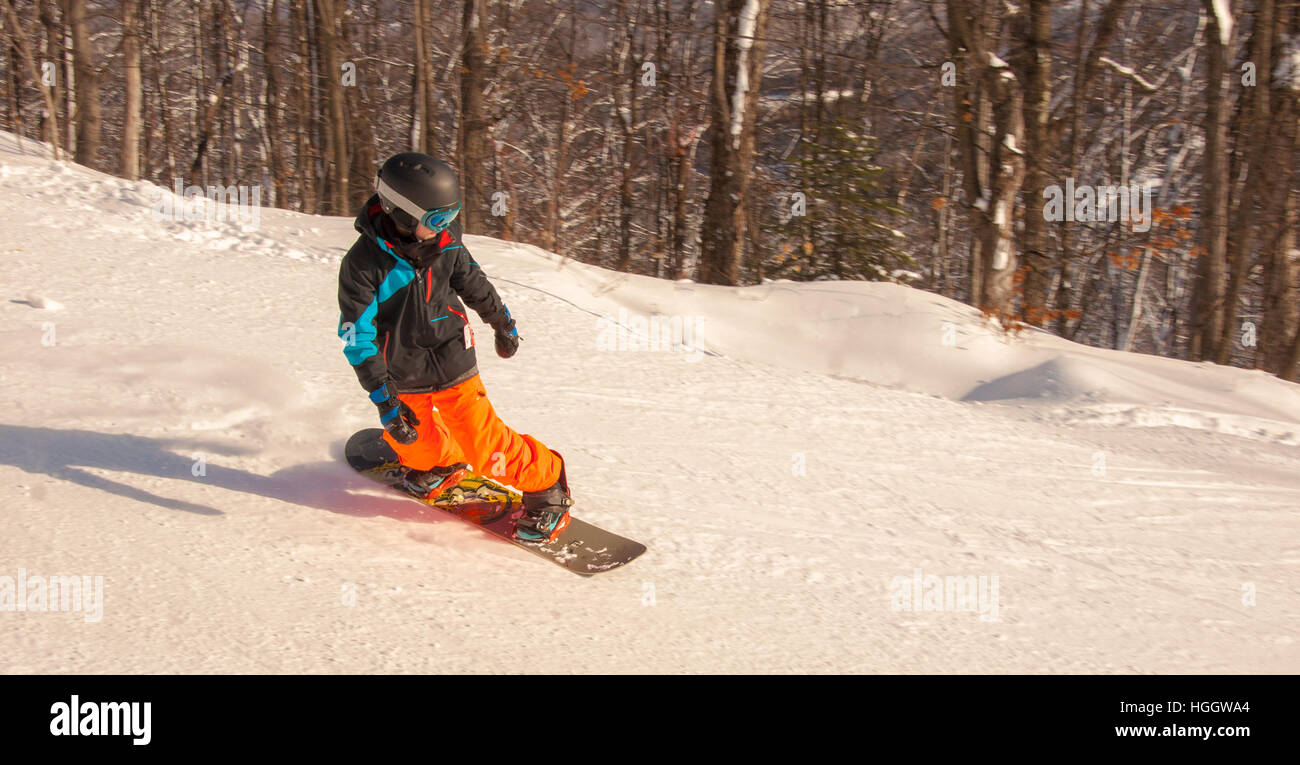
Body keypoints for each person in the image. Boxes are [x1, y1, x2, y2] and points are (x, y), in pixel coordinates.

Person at [337, 152, 571, 543]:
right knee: (412, 443)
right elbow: (356, 337)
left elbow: (474, 283)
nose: (447, 227)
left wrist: (503, 323)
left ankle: (548, 487)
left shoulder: (445, 245)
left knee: (484, 445)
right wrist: (384, 399)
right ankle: (441, 464)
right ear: (404, 214)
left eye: (451, 216)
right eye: (436, 219)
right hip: (402, 370)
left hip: (452, 357)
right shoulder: (363, 267)